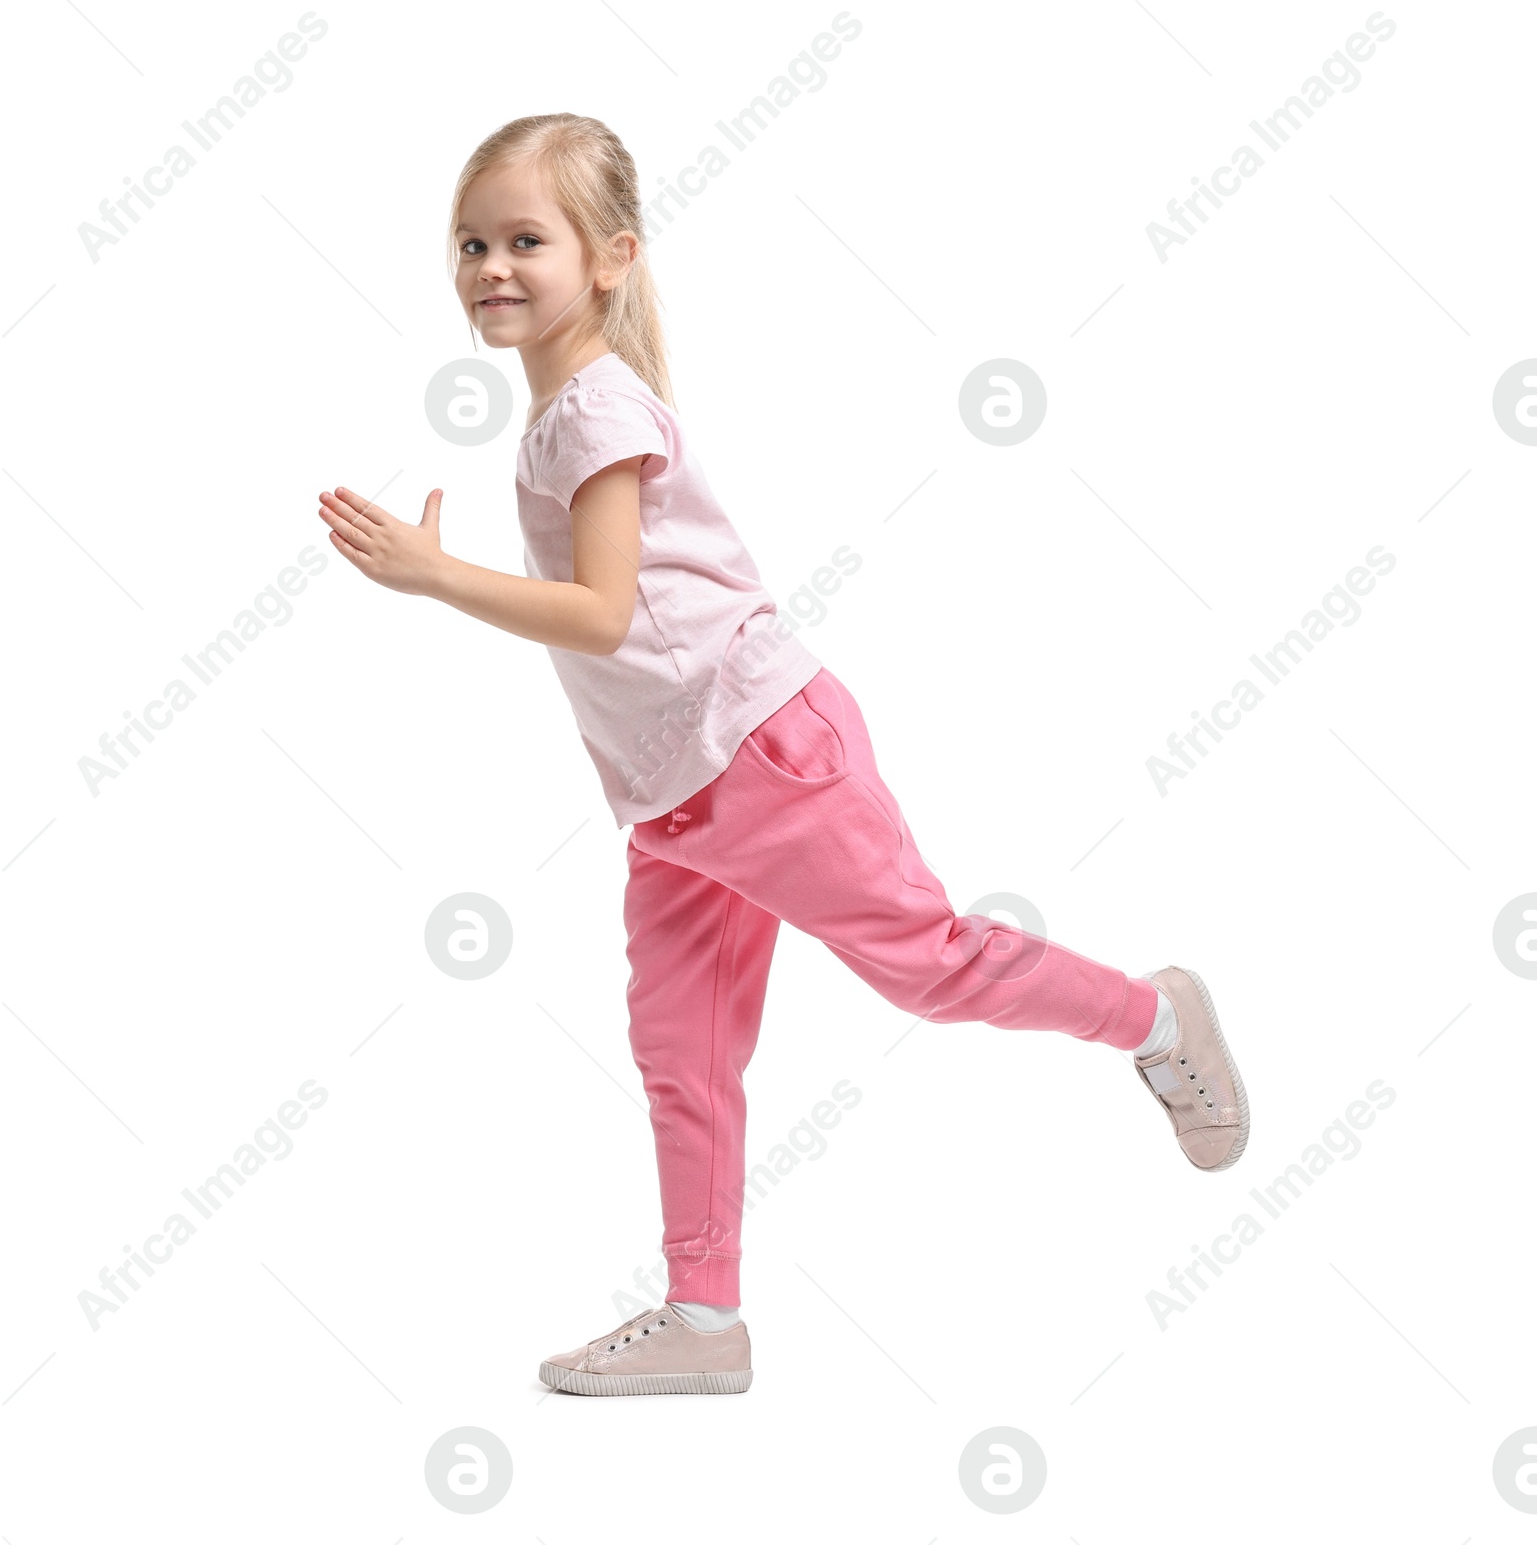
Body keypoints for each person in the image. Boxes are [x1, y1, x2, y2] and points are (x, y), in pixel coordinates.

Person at [316, 112, 1250, 1399]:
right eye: (472, 240)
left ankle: (1155, 1013)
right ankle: (705, 1318)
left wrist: (435, 576)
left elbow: (597, 609)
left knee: (926, 966)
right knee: (681, 1045)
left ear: (609, 257)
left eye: (525, 238)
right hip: (674, 791)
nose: (489, 265)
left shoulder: (595, 410)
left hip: (759, 751)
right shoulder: (557, 413)